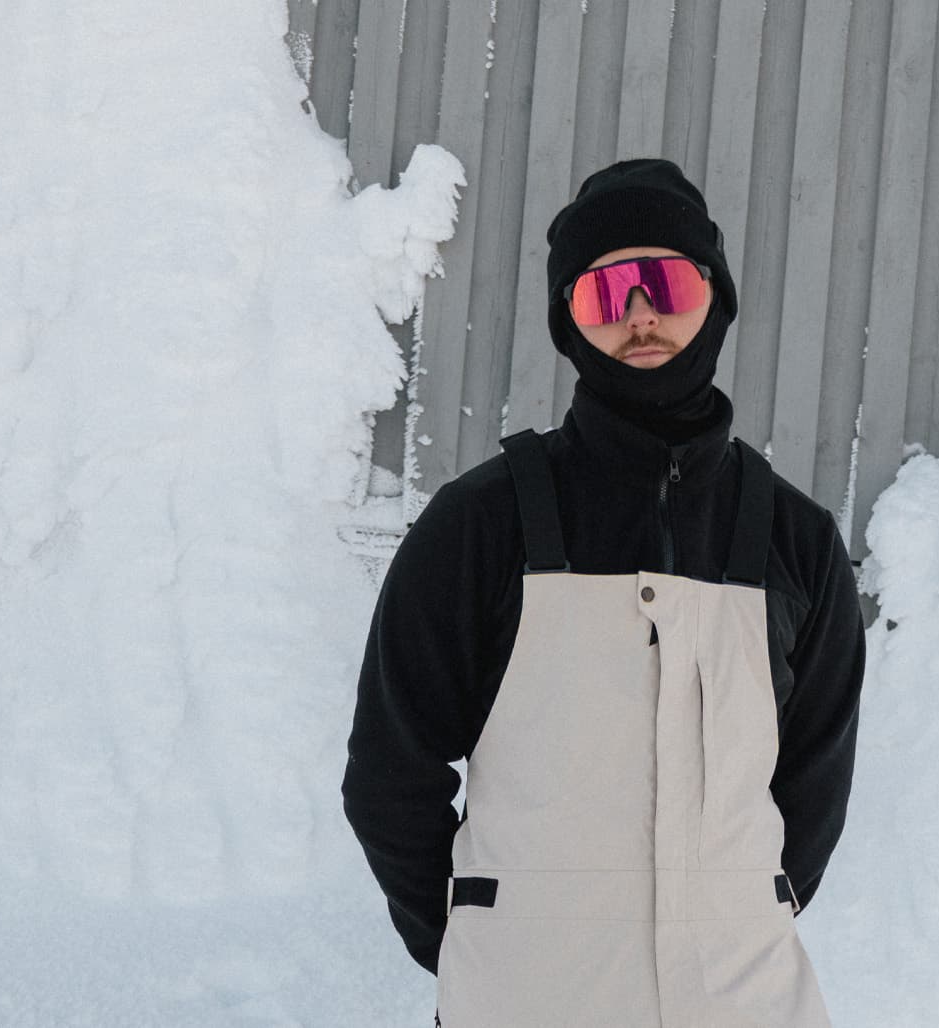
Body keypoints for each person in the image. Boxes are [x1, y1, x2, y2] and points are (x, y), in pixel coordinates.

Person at [342, 158, 864, 1027]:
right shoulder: (480, 526)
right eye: (606, 293)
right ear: (568, 321)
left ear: (717, 296)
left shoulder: (796, 543)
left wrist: (728, 916)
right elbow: (390, 777)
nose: (641, 315)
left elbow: (811, 801)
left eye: (668, 283)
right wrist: (485, 940)